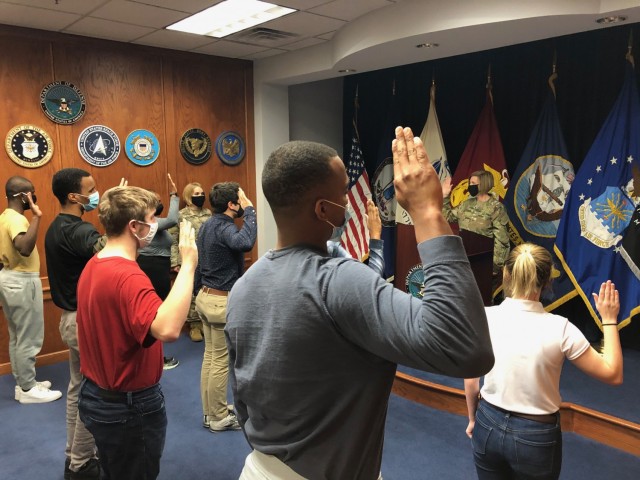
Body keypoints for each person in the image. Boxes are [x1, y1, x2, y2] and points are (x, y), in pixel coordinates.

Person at [226, 128, 495, 479]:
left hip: (261, 468)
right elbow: (466, 348)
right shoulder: (338, 282)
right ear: (324, 210)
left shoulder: (244, 285)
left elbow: (243, 400)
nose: (349, 202)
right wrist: (428, 213)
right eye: (343, 194)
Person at [463, 243, 623, 480]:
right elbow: (613, 373)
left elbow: (471, 379)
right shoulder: (561, 328)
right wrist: (609, 320)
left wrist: (473, 418)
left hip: (487, 422)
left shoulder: (484, 317)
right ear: (548, 279)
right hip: (535, 435)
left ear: (507, 274)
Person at [76, 186, 197, 480]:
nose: (156, 225)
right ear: (134, 226)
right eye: (152, 218)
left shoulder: (95, 263)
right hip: (127, 406)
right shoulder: (129, 276)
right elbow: (167, 329)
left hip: (97, 396)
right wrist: (189, 263)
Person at [45, 168, 107, 480]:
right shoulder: (78, 231)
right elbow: (113, 250)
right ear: (74, 196)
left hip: (70, 320)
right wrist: (118, 213)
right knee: (93, 394)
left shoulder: (55, 227)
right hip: (83, 322)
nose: (95, 194)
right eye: (91, 189)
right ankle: (82, 464)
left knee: (77, 391)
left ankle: (76, 454)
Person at [195, 182, 257, 433]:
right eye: (240, 200)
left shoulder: (208, 225)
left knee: (211, 357)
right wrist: (251, 211)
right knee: (220, 360)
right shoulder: (223, 227)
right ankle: (219, 417)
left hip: (206, 297)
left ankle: (212, 411)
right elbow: (245, 242)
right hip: (220, 301)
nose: (243, 202)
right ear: (231, 205)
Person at [0, 176, 62, 404]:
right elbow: (24, 248)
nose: (33, 197)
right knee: (29, 337)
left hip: (9, 278)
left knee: (17, 336)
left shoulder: (4, 217)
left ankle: (24, 383)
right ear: (22, 196)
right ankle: (27, 390)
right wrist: (37, 216)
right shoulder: (17, 219)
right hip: (22, 281)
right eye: (31, 193)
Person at [137, 174, 180, 370]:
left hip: (159, 268)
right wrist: (174, 195)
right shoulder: (148, 223)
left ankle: (152, 357)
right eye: (157, 202)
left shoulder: (155, 222)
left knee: (156, 312)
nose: (160, 204)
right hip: (151, 267)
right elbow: (173, 219)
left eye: (160, 201)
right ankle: (155, 360)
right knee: (154, 313)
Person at [442, 170, 510, 285]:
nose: (470, 186)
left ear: (484, 184)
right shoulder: (466, 204)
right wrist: (445, 196)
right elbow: (447, 217)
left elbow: (502, 241)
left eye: (473, 183)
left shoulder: (496, 208)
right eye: (470, 183)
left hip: (483, 264)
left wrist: (494, 268)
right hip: (463, 261)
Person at [170, 182, 211, 342]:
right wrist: (175, 262)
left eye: (202, 194)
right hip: (188, 258)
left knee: (205, 290)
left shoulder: (208, 213)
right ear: (188, 196)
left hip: (207, 259)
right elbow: (173, 239)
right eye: (196, 194)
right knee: (191, 292)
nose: (200, 197)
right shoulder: (181, 215)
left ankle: (205, 322)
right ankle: (194, 325)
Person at [327, 198, 385, 276]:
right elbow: (370, 282)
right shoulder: (331, 250)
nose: (348, 216)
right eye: (344, 207)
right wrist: (375, 235)